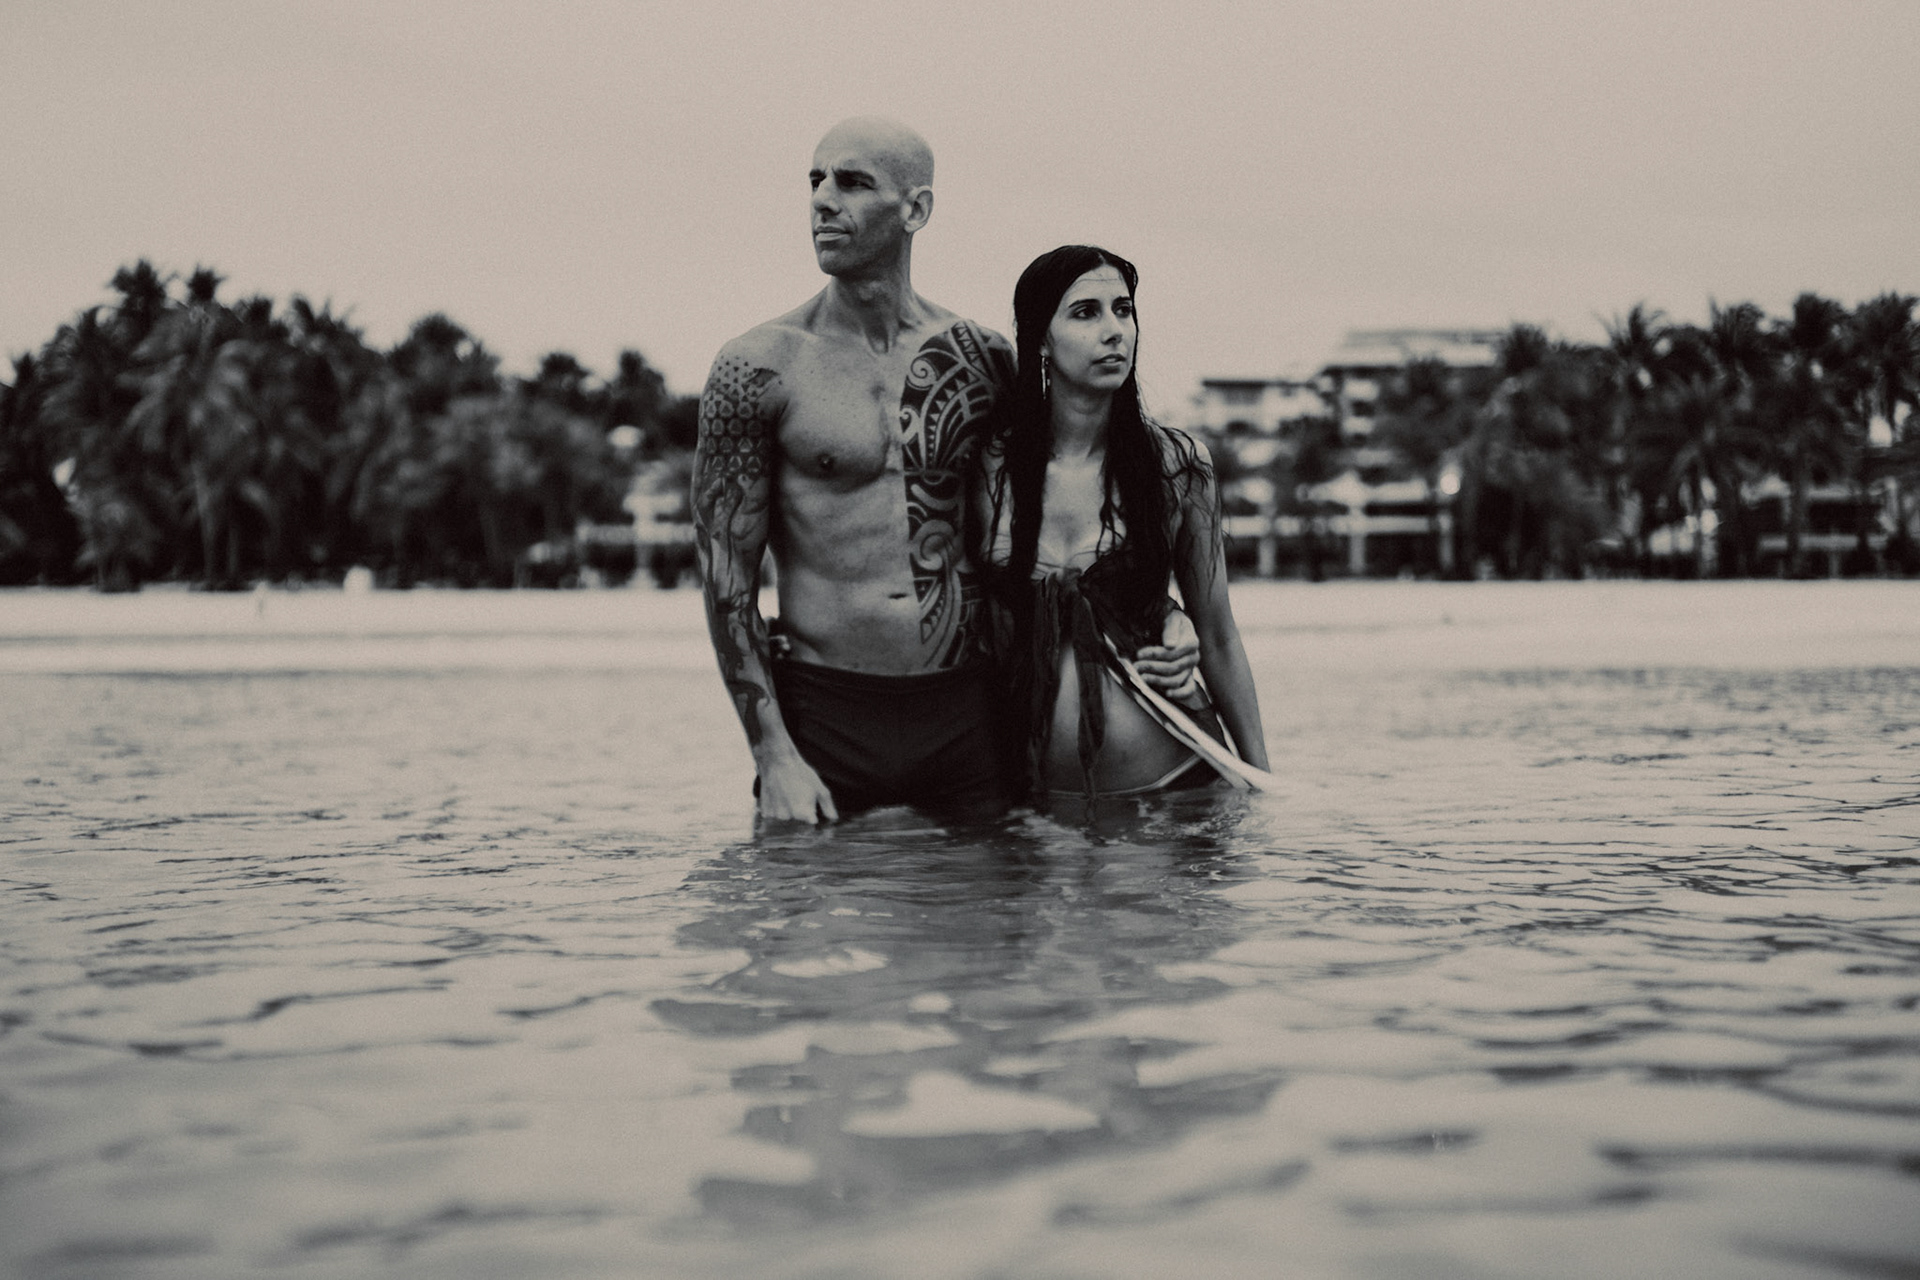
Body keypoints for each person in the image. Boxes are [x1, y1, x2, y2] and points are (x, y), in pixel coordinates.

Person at [692, 120, 1197, 824]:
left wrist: (1171, 618)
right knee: (807, 925)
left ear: (916, 210)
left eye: (852, 182)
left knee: (987, 927)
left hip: (970, 709)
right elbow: (726, 580)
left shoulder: (985, 360)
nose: (822, 200)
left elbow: (1072, 513)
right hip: (826, 709)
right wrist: (771, 753)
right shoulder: (759, 367)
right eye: (815, 181)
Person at [977, 245, 1270, 801]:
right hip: (1031, 802)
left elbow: (1220, 635)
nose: (1115, 331)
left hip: (1176, 784)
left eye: (1123, 309)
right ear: (1040, 336)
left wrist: (1263, 785)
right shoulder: (988, 466)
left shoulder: (1178, 465)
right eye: (1086, 312)